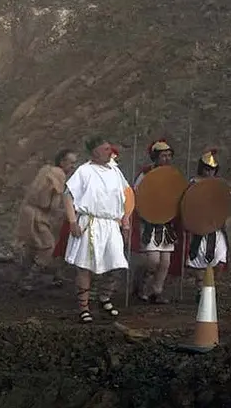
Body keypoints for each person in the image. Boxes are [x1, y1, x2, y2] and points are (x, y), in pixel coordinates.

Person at [63, 137, 131, 323]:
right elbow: (67, 196)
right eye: (106, 149)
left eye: (110, 148)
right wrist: (72, 222)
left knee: (116, 264)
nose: (111, 151)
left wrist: (125, 221)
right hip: (90, 222)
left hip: (111, 224)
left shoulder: (115, 171)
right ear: (95, 152)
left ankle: (104, 298)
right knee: (85, 267)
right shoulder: (84, 171)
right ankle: (84, 307)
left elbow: (127, 197)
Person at [15, 148, 78, 292]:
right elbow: (50, 203)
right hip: (37, 215)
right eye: (71, 163)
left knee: (33, 247)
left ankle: (24, 276)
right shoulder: (57, 175)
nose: (73, 166)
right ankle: (28, 279)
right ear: (62, 162)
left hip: (28, 212)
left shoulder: (46, 170)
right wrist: (67, 211)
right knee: (47, 246)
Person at [130, 139, 179, 304]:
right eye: (163, 155)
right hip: (149, 222)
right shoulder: (145, 175)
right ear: (155, 157)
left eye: (169, 155)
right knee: (153, 260)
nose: (167, 159)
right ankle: (140, 285)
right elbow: (137, 195)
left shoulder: (172, 175)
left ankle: (156, 291)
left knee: (165, 262)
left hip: (166, 222)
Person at [183, 148, 230, 303]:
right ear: (202, 168)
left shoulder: (219, 185)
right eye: (207, 169)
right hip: (199, 228)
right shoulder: (193, 184)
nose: (209, 172)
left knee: (220, 258)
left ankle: (211, 286)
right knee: (198, 260)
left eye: (212, 169)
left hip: (216, 227)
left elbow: (227, 199)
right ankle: (200, 289)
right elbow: (187, 204)